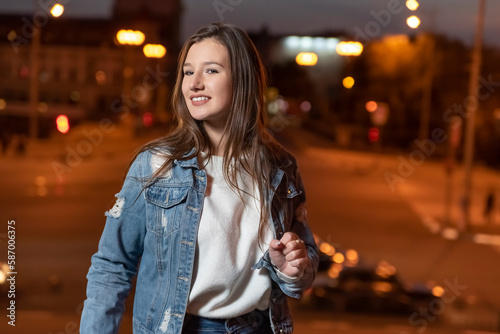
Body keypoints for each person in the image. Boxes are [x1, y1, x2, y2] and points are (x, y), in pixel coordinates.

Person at [80, 23, 319, 334]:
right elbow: (112, 266)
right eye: (188, 72)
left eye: (211, 71)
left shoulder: (281, 166)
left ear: (243, 81)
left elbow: (307, 261)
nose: (194, 83)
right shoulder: (156, 165)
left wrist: (292, 270)